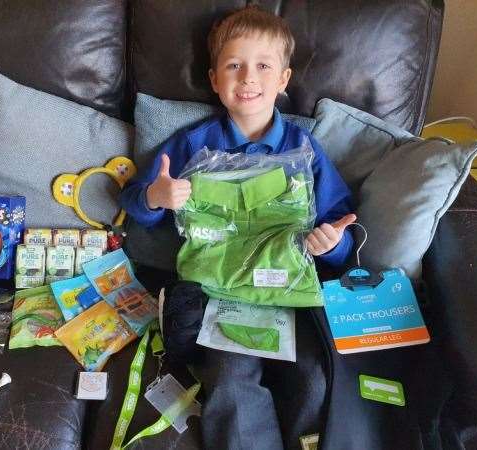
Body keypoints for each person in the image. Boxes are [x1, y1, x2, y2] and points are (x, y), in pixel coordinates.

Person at [120, 6, 356, 449]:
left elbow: (338, 226)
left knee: (314, 380)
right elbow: (134, 200)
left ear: (284, 79)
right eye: (234, 65)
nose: (248, 78)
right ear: (214, 79)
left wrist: (331, 245)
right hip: (219, 296)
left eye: (263, 66)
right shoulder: (193, 145)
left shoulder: (303, 148)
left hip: (291, 293)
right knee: (229, 382)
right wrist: (157, 197)